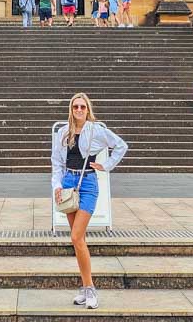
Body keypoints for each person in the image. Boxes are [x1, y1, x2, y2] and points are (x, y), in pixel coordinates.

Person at [52, 92, 128, 310]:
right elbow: (56, 161)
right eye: (75, 107)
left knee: (76, 236)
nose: (78, 110)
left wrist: (107, 165)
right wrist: (57, 185)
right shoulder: (63, 132)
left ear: (88, 109)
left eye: (82, 107)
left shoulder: (96, 130)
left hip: (88, 183)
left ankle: (90, 288)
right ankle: (85, 288)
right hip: (68, 183)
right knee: (79, 241)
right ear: (71, 109)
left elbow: (121, 145)